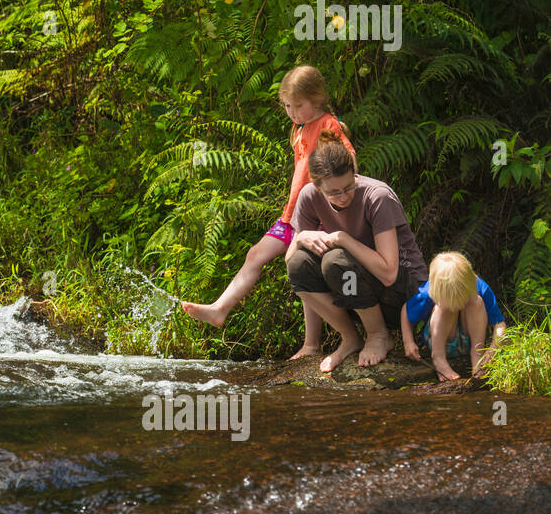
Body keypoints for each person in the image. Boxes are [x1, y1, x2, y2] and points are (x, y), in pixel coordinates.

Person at [183, 65, 355, 360]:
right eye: (287, 106)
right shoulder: (299, 131)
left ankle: (316, 342)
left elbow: (349, 159)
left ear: (316, 98)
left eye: (298, 105)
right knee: (255, 255)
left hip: (318, 216)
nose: (292, 112)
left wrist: (335, 201)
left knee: (302, 271)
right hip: (292, 216)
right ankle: (220, 310)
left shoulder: (328, 125)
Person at [284, 130, 428, 372]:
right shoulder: (309, 197)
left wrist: (343, 238)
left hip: (403, 296)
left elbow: (389, 273)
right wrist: (302, 238)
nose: (343, 197)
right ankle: (350, 338)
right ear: (317, 187)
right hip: (359, 294)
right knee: (299, 264)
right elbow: (290, 263)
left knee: (335, 260)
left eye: (348, 187)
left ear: (354, 173)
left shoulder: (377, 197)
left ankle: (378, 335)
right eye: (334, 192)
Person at [402, 251, 508, 382]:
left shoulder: (479, 286)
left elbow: (500, 325)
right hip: (443, 339)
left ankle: (477, 355)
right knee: (443, 308)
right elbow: (405, 312)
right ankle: (439, 358)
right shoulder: (429, 291)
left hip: (469, 339)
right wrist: (408, 342)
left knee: (476, 302)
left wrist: (492, 350)